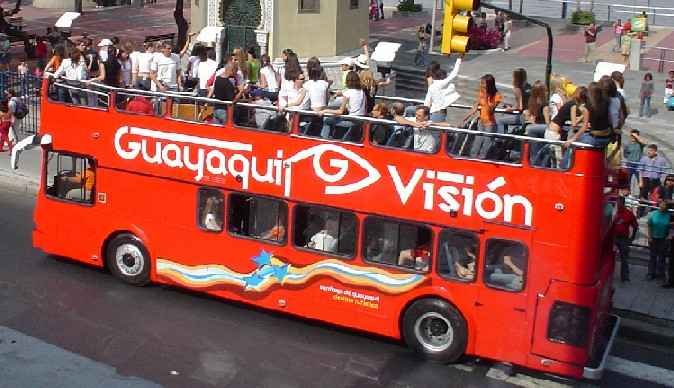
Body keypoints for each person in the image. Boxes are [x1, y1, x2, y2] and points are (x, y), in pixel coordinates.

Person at [462, 74, 502, 158]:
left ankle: (482, 160)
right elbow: (476, 105)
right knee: (477, 143)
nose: (481, 85)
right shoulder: (481, 91)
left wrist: (487, 98)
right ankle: (472, 158)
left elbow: (490, 111)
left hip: (490, 124)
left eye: (483, 83)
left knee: (486, 146)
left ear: (489, 84)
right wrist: (466, 117)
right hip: (481, 122)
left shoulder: (497, 95)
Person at [424, 55, 462, 123]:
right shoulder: (438, 84)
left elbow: (427, 101)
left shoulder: (436, 85)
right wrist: (459, 58)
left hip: (435, 112)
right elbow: (454, 73)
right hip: (436, 112)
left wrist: (459, 58)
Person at [613, 196, 638, 282]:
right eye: (617, 203)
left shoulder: (629, 214)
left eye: (619, 203)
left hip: (623, 239)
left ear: (623, 203)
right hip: (613, 238)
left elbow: (635, 226)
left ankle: (625, 277)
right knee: (609, 256)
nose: (617, 204)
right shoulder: (613, 212)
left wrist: (632, 237)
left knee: (624, 258)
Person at [497, 68, 530, 134]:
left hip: (524, 116)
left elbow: (520, 107)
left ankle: (500, 139)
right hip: (530, 114)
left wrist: (510, 109)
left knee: (500, 121)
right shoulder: (528, 86)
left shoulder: (518, 89)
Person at [647, 199, 671, 280]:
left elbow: (670, 227)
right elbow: (649, 226)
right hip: (653, 238)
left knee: (662, 257)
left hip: (663, 239)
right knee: (652, 257)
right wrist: (649, 237)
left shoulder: (669, 215)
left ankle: (661, 274)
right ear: (659, 205)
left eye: (664, 205)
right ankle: (651, 273)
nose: (662, 206)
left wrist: (668, 237)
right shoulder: (653, 214)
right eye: (661, 204)